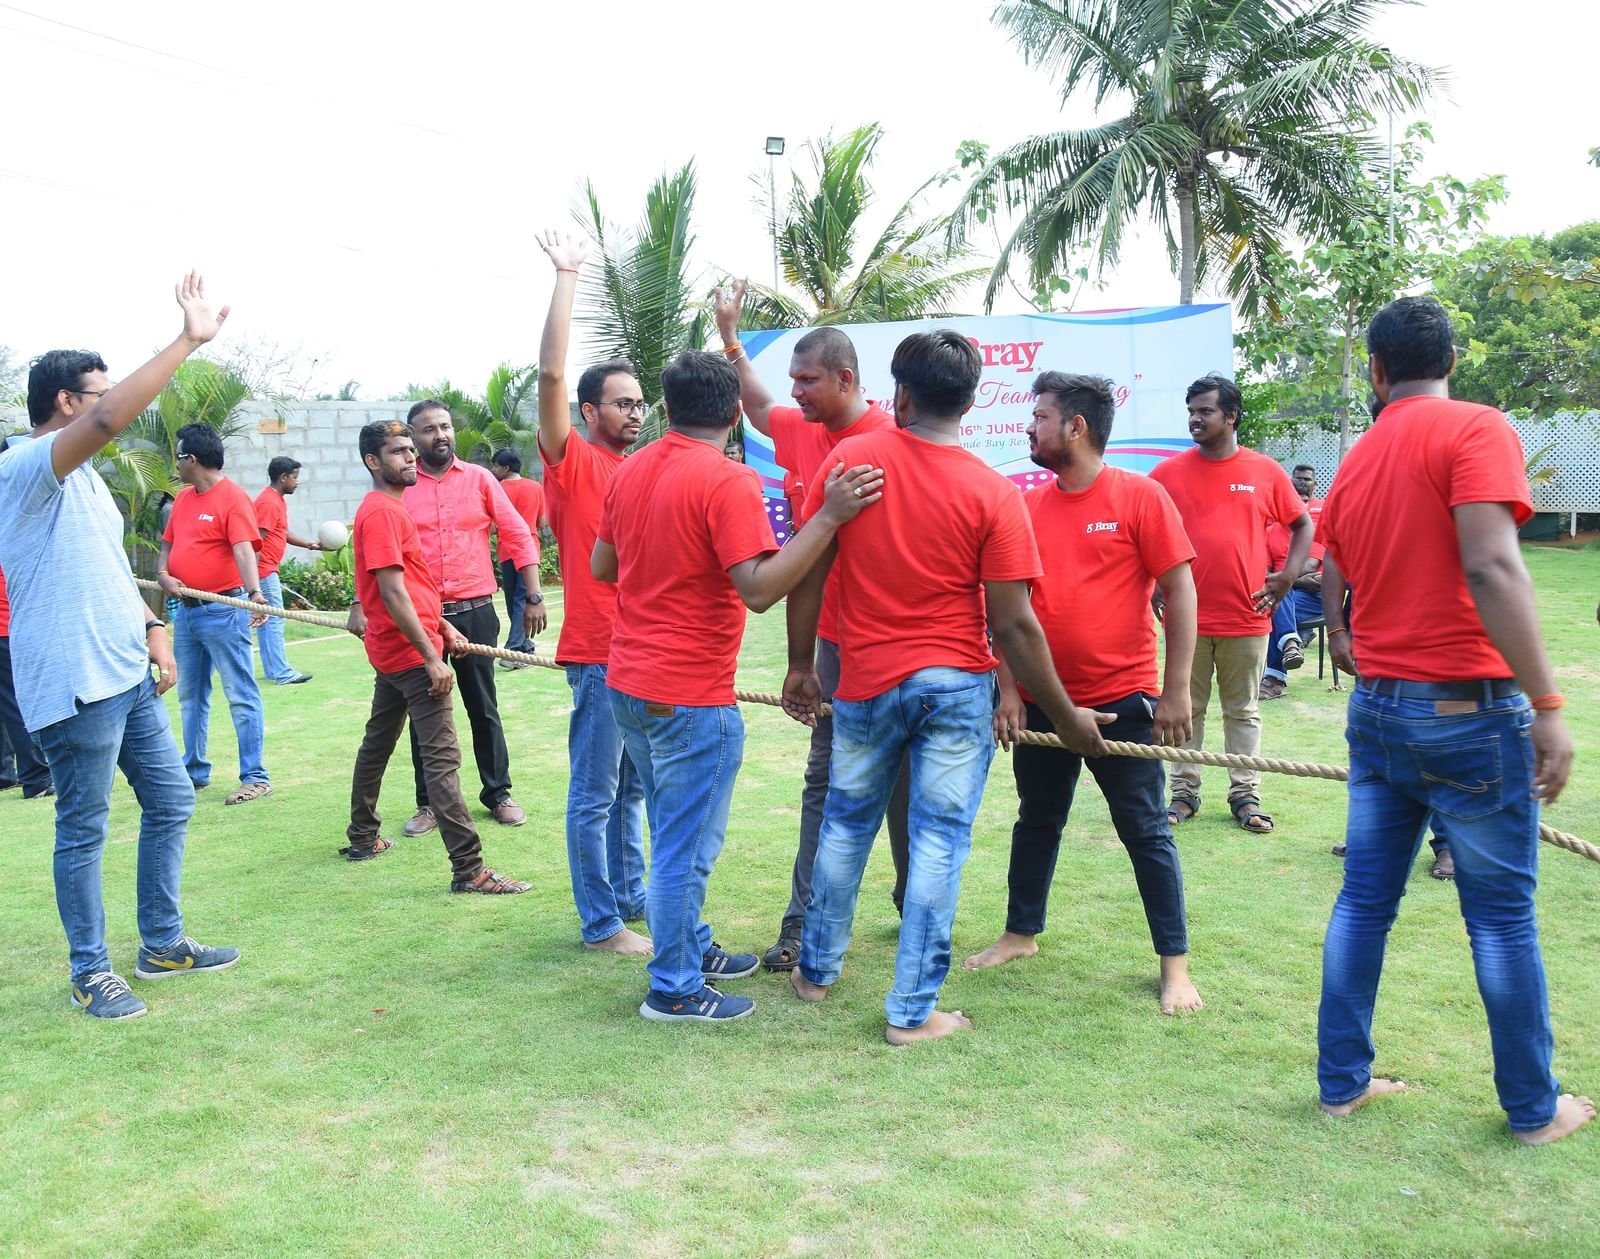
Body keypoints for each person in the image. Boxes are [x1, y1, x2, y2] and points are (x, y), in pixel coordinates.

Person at [783, 331, 1115, 1045]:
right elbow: (1016, 628)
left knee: (845, 825)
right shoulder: (992, 491)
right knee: (936, 844)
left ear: (898, 393)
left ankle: (816, 972)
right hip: (954, 689)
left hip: (867, 680)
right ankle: (911, 1012)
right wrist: (1064, 718)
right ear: (969, 402)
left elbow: (808, 570)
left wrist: (801, 663)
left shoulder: (850, 463)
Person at [1317, 294, 1592, 1145]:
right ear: (1452, 363)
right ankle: (1535, 1109)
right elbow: (1490, 561)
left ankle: (1341, 1085)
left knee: (1365, 902)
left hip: (1381, 710)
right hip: (1468, 712)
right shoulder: (1475, 428)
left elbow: (1334, 567)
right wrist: (1547, 703)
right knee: (1503, 918)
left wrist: (1341, 633)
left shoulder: (1357, 456)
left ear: (1376, 369)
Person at [593, 349, 885, 1023]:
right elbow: (758, 589)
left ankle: (689, 944)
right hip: (689, 694)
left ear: (667, 408)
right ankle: (674, 987)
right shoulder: (728, 482)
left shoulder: (631, 467)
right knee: (683, 850)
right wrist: (829, 515)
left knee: (670, 829)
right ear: (733, 413)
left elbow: (604, 563)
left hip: (630, 682)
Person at [0, 273, 239, 1020]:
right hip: (75, 681)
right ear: (67, 403)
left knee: (169, 800)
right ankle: (89, 971)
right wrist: (189, 340)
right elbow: (106, 423)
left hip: (125, 671)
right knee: (84, 828)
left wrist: (155, 629)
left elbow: (109, 570)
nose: (115, 405)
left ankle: (162, 943)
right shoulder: (21, 468)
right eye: (98, 393)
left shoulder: (90, 487)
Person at [962, 372, 1202, 1015]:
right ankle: (1020, 933)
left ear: (1076, 427)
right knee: (1037, 819)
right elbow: (1003, 608)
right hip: (1043, 704)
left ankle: (1174, 966)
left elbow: (1180, 591)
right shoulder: (1024, 506)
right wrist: (1008, 691)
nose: (1029, 427)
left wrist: (1175, 691)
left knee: (1145, 830)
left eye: (1040, 417)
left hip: (1124, 702)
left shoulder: (1141, 497)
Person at [713, 279, 913, 971]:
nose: (794, 391)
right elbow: (760, 405)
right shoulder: (801, 429)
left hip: (892, 646)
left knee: (905, 787)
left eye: (808, 379)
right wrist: (732, 337)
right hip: (830, 646)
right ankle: (800, 927)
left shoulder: (891, 442)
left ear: (846, 378)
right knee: (824, 783)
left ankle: (914, 898)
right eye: (794, 377)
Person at [341, 421, 531, 895]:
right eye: (398, 452)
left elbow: (412, 587)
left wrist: (442, 626)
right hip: (408, 654)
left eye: (411, 450)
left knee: (377, 743)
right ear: (372, 462)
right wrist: (431, 655)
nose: (410, 458)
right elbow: (390, 591)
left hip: (398, 649)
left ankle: (363, 837)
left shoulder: (387, 508)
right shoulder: (382, 512)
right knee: (442, 762)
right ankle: (469, 869)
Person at [536, 230, 651, 957]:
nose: (635, 413)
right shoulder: (573, 462)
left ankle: (632, 894)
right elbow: (550, 376)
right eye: (620, 403)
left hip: (647, 655)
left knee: (634, 791)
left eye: (641, 403)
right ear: (586, 413)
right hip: (599, 654)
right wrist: (568, 275)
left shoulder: (646, 469)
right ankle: (601, 921)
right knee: (596, 793)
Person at [1148, 376, 1312, 833]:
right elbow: (1140, 531)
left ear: (1232, 416)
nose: (1195, 419)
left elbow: (1303, 526)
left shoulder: (1264, 471)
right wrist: (1152, 584)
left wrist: (1287, 576)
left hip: (1248, 615)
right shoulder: (1167, 475)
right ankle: (1183, 794)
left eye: (1205, 411)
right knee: (1187, 708)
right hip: (1187, 621)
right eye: (1191, 410)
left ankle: (1245, 795)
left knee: (1242, 710)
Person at [156, 422, 274, 806]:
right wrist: (163, 574)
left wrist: (255, 592)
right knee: (191, 696)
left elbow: (244, 550)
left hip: (223, 610)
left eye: (178, 456)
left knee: (240, 694)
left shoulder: (233, 498)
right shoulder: (183, 499)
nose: (175, 463)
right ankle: (193, 772)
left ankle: (255, 777)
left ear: (192, 459)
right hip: (188, 613)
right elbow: (168, 546)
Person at [253, 455, 322, 686]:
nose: (297, 482)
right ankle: (282, 673)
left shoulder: (276, 500)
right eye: (294, 477)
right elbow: (255, 541)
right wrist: (251, 579)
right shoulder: (269, 502)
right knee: (275, 619)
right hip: (263, 571)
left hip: (267, 569)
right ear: (283, 477)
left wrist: (309, 545)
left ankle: (274, 670)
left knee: (268, 620)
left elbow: (282, 532)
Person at [1259, 464, 1326, 700]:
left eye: (1304, 501)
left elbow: (1310, 569)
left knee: (1277, 595)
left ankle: (1275, 677)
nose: (1301, 507)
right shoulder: (1270, 532)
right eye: (1295, 501)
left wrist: (1287, 579)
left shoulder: (1315, 530)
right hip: (1287, 596)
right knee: (1276, 595)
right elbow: (1265, 573)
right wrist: (1292, 580)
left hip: (1315, 598)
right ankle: (1290, 642)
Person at [488, 447, 546, 668]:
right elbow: (542, 523)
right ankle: (520, 647)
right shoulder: (536, 487)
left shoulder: (498, 489)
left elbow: (492, 526)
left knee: (515, 600)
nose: (494, 470)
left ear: (505, 467)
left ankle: (515, 649)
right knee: (522, 599)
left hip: (506, 550)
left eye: (496, 466)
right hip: (529, 549)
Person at [0, 561, 53, 798]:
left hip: (9, 626)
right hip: (7, 628)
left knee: (7, 703)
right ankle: (36, 777)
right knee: (16, 703)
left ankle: (5, 775)